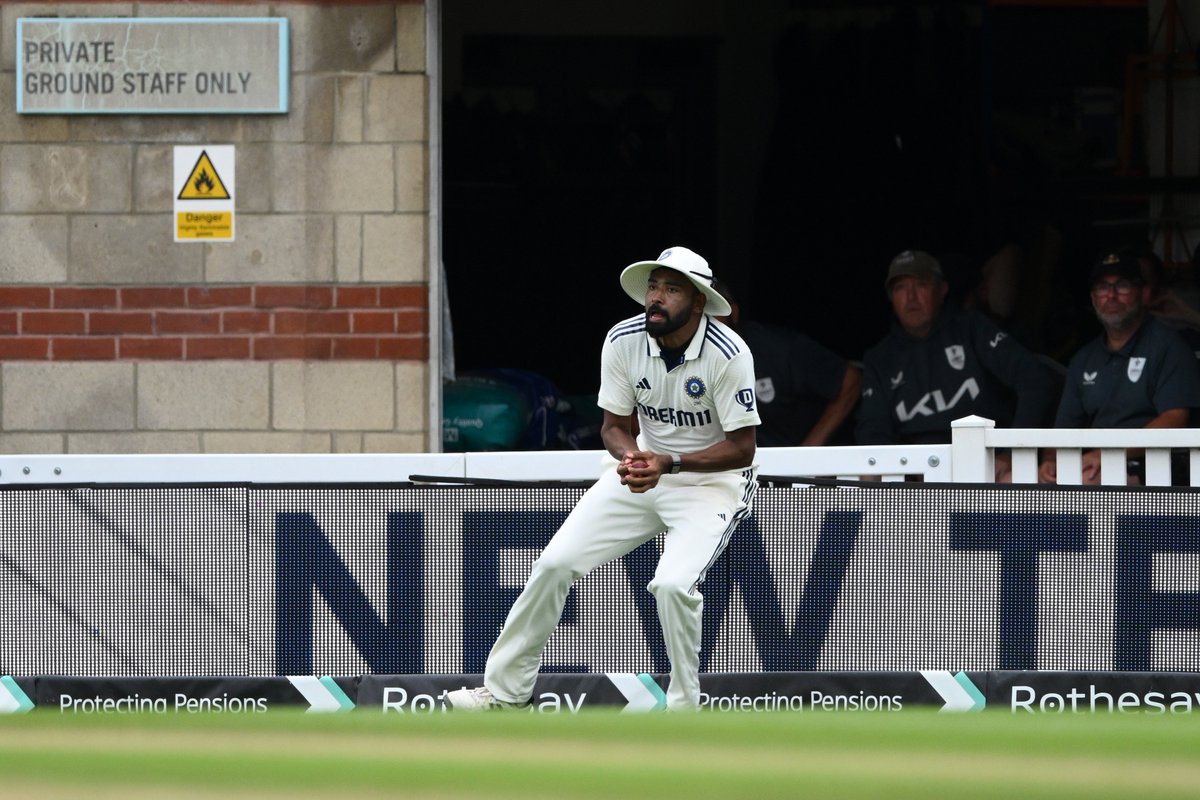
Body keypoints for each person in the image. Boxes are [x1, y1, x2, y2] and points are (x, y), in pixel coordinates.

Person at [446, 246, 761, 712]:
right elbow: (613, 426)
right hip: (644, 472)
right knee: (553, 564)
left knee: (672, 586)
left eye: (672, 289)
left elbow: (743, 448)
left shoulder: (730, 354)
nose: (656, 296)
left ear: (698, 302)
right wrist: (634, 458)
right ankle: (507, 695)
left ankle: (685, 713)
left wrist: (667, 463)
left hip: (711, 482)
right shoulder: (622, 339)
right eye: (654, 285)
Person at [856, 249, 1061, 480]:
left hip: (988, 467)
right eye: (900, 288)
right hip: (917, 476)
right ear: (891, 298)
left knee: (1016, 483)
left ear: (942, 290)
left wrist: (1012, 453)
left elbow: (1035, 381)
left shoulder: (972, 329)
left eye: (921, 285)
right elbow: (873, 430)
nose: (911, 297)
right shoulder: (881, 357)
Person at [1039, 251, 1200, 485]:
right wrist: (1050, 461)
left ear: (1142, 293)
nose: (1111, 295)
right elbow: (1065, 426)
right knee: (1018, 480)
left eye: (1122, 286)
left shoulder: (1168, 346)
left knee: (1085, 480)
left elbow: (1175, 418)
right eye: (1103, 287)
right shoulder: (1084, 358)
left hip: (1154, 465)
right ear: (1093, 297)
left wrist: (1108, 453)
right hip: (1096, 462)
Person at [714, 280, 861, 446]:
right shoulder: (684, 359)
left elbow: (851, 381)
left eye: (710, 311)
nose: (703, 323)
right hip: (731, 465)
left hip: (795, 464)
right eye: (695, 313)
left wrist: (808, 452)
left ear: (732, 313)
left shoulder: (778, 348)